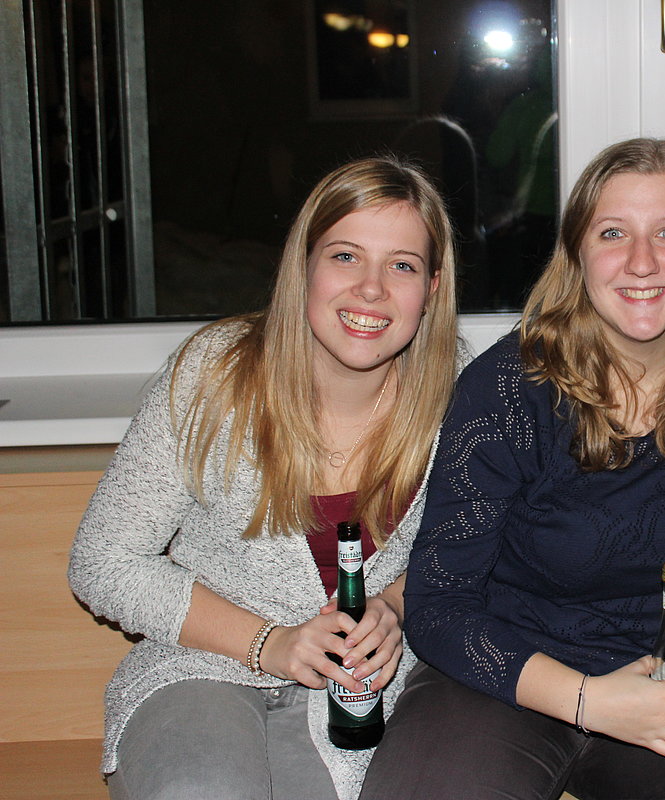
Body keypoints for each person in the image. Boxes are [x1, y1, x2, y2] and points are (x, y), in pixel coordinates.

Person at [359, 138, 665, 800]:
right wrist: (589, 702)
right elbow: (438, 604)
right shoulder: (508, 390)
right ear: (576, 254)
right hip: (502, 676)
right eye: (612, 233)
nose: (641, 261)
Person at [68, 155, 460, 800]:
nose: (371, 289)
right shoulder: (213, 374)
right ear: (302, 266)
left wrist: (392, 607)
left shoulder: (460, 397)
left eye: (402, 265)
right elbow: (104, 562)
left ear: (433, 288)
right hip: (200, 664)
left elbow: (474, 553)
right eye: (345, 256)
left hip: (373, 689)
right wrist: (270, 644)